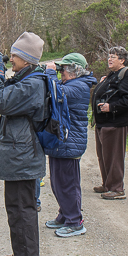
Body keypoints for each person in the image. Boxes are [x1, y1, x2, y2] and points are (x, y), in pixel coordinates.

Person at [0, 31, 46, 256]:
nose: (10, 59)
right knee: (19, 208)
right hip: (22, 153)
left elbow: (0, 101)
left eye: (14, 56)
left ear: (27, 59)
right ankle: (23, 252)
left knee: (21, 209)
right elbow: (12, 107)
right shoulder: (28, 78)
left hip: (23, 156)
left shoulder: (33, 83)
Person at [43, 53, 97, 236]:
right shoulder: (71, 83)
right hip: (62, 141)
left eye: (63, 69)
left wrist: (50, 74)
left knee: (68, 184)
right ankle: (64, 215)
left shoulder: (80, 86)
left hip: (70, 142)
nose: (61, 73)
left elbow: (57, 94)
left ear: (75, 71)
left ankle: (75, 221)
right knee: (58, 183)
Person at [91, 46, 128, 200]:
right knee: (104, 156)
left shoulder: (127, 74)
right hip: (103, 123)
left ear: (122, 60)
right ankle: (107, 184)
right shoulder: (113, 75)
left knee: (114, 157)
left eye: (114, 56)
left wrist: (111, 107)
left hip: (115, 123)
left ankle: (117, 189)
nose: (109, 59)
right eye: (109, 56)